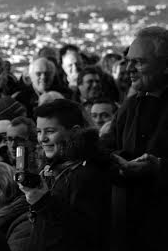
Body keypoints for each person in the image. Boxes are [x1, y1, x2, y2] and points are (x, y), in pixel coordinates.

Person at [105, 26, 168, 251]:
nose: (129, 69)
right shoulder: (130, 106)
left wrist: (158, 168)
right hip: (129, 226)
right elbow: (108, 146)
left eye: (139, 62)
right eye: (128, 61)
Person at [20, 99, 111, 251]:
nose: (42, 138)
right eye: (38, 132)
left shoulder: (88, 173)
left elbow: (81, 233)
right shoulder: (51, 166)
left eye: (50, 131)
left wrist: (42, 202)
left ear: (74, 132)